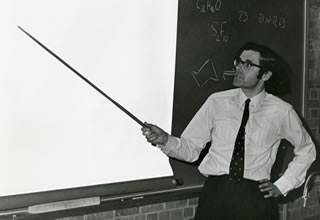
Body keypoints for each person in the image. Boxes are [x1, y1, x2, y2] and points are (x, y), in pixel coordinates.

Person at [142, 42, 316, 220]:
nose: (239, 68)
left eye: (247, 64)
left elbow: (307, 150)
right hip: (215, 195)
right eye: (238, 62)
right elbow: (191, 149)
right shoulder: (216, 102)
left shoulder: (281, 111)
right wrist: (164, 140)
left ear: (265, 74)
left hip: (255, 199)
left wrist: (283, 185)